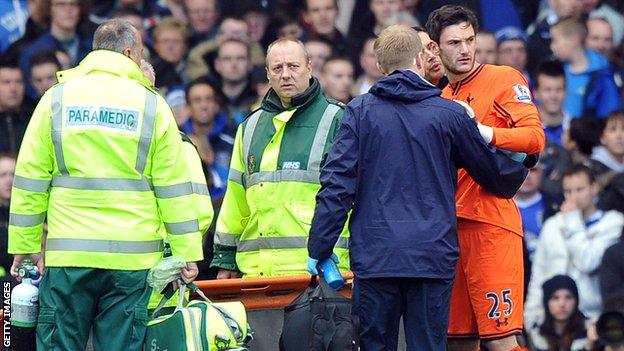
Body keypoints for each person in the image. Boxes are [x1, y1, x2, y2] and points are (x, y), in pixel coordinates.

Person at [307, 24, 529, 351]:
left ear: (380, 67)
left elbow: (337, 185)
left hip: (376, 257)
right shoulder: (449, 114)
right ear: (421, 60)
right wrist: (523, 157)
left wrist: (320, 246)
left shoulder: (358, 112)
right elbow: (493, 172)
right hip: (432, 256)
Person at [7, 19, 206, 350]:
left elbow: (30, 180)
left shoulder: (55, 99)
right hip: (132, 260)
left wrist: (26, 247)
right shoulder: (152, 105)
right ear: (129, 52)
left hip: (69, 256)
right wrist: (186, 252)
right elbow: (173, 185)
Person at [426, 5, 547, 351]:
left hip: (491, 227)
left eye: (469, 40)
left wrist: (483, 132)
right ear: (434, 48)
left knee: (501, 340)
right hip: (449, 233)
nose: (464, 50)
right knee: (457, 342)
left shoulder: (504, 78)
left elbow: (535, 138)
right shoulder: (440, 97)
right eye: (454, 43)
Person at [211, 38, 350, 279]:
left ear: (309, 67)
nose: (285, 74)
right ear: (267, 74)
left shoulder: (338, 119)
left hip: (319, 273)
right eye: (277, 68)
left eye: (293, 66)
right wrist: (227, 259)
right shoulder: (250, 127)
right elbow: (235, 200)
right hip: (258, 274)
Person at [525, 165, 624, 330]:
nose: (573, 197)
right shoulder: (552, 225)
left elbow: (588, 261)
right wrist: (531, 316)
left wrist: (572, 221)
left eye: (580, 189)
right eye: (568, 191)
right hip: (551, 321)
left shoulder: (614, 222)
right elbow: (539, 272)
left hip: (591, 317)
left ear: (594, 188)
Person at [550, 18, 622, 119]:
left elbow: (610, 112)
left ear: (573, 40)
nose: (552, 46)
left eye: (555, 41)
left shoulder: (605, 73)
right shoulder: (555, 69)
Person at [527, 275, 588, 351]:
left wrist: (590, 346)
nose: (562, 304)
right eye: (555, 298)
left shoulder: (589, 330)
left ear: (576, 301)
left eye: (568, 297)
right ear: (546, 303)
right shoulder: (534, 333)